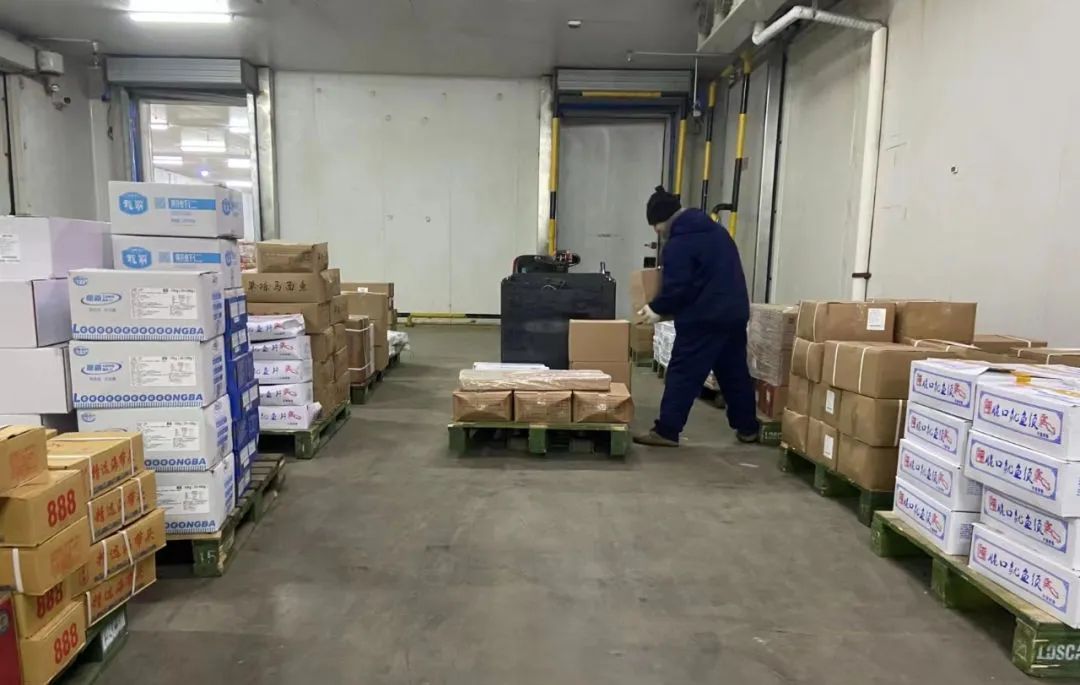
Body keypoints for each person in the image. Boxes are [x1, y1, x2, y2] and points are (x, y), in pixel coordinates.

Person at [634, 186, 760, 447]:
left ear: (663, 219)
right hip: (734, 314)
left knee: (683, 373)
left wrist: (656, 308)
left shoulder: (680, 244)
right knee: (734, 372)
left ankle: (667, 430)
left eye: (655, 225)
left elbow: (678, 286)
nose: (656, 231)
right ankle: (748, 427)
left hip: (704, 319)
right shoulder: (718, 233)